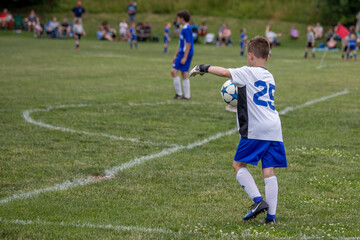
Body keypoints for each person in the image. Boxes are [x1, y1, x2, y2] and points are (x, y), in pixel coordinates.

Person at [189, 36, 287, 225]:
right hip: (274, 127)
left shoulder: (247, 72)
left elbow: (225, 72)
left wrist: (202, 67)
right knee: (269, 170)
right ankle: (271, 218)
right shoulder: (269, 76)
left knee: (238, 165)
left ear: (250, 55)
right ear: (267, 57)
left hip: (256, 129)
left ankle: (258, 201)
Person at [171, 10, 194, 100]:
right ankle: (187, 96)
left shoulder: (187, 29)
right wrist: (175, 55)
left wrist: (184, 57)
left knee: (173, 71)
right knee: (184, 73)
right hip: (182, 52)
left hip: (185, 53)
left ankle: (179, 94)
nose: (177, 20)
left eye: (178, 18)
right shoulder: (183, 28)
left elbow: (188, 44)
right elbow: (181, 44)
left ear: (182, 18)